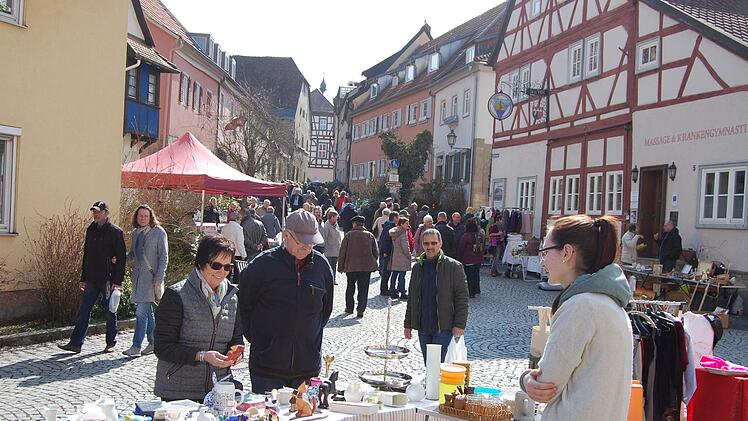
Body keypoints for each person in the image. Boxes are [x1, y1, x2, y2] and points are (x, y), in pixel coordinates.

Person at [519, 215, 632, 421]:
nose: (542, 260)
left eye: (544, 251)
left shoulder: (580, 306)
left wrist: (526, 379)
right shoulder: (612, 304)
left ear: (567, 252)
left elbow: (546, 384)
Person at [238, 209, 334, 393]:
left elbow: (325, 310)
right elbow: (244, 307)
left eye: (311, 241)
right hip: (266, 370)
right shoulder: (261, 265)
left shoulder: (322, 267)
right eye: (302, 241)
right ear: (286, 235)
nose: (308, 246)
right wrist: (263, 342)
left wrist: (309, 339)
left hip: (307, 368)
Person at [153, 235, 244, 402]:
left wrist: (236, 352)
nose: (221, 272)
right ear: (201, 263)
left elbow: (236, 338)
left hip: (218, 389)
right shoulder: (176, 295)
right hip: (179, 391)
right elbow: (162, 347)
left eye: (227, 267)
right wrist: (201, 355)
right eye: (216, 265)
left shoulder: (232, 297)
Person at [58, 201, 126, 354]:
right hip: (91, 278)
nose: (95, 214)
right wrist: (83, 277)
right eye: (94, 212)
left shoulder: (116, 232)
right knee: (84, 310)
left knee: (110, 311)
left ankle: (110, 342)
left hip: (108, 279)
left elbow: (120, 259)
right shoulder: (91, 230)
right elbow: (86, 255)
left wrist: (117, 281)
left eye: (98, 212)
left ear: (106, 213)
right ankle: (76, 343)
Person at [404, 228, 468, 364]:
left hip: (444, 327)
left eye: (433, 243)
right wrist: (408, 324)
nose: (430, 247)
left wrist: (459, 325)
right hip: (423, 326)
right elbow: (412, 298)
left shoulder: (454, 267)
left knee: (438, 366)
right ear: (422, 244)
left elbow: (462, 299)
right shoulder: (417, 267)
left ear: (440, 243)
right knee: (429, 364)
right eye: (426, 244)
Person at [123, 205, 169, 357]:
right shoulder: (136, 233)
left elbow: (163, 257)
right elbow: (134, 254)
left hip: (151, 279)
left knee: (141, 313)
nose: (142, 218)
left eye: (145, 216)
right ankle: (154, 341)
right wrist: (120, 259)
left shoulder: (159, 233)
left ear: (150, 217)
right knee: (148, 313)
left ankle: (136, 347)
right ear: (136, 217)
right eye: (140, 215)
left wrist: (159, 277)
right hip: (138, 279)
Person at [338, 215, 379, 318]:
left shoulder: (349, 235)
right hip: (366, 268)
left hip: (351, 267)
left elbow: (342, 252)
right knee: (363, 289)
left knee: (350, 287)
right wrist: (372, 262)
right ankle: (361, 310)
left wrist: (341, 267)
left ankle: (349, 307)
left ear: (354, 223)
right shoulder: (369, 235)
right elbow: (376, 252)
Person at [458, 218, 484, 298]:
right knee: (476, 274)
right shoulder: (478, 235)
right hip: (478, 258)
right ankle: (477, 289)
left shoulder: (465, 236)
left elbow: (461, 248)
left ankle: (471, 292)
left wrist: (460, 256)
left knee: (469, 276)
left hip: (468, 259)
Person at [388, 217, 412, 299]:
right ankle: (402, 292)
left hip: (395, 255)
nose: (408, 225)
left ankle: (392, 291)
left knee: (394, 275)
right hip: (403, 257)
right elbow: (405, 246)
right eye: (406, 223)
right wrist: (409, 255)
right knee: (402, 276)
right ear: (401, 224)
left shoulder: (394, 231)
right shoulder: (402, 232)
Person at [378, 212, 399, 296]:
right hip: (388, 252)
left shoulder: (389, 226)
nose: (398, 218)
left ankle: (385, 289)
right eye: (397, 217)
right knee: (386, 272)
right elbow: (386, 240)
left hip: (389, 252)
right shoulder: (389, 227)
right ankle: (384, 290)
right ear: (394, 217)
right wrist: (386, 252)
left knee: (387, 271)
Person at [320, 209, 343, 285]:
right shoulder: (326, 226)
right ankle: (329, 280)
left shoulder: (336, 225)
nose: (337, 218)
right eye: (336, 217)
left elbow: (339, 236)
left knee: (334, 265)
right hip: (329, 249)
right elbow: (324, 238)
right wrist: (324, 248)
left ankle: (333, 279)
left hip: (336, 249)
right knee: (329, 266)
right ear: (331, 217)